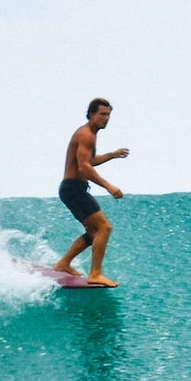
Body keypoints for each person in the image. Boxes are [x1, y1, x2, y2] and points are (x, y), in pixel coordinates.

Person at [55, 98, 130, 286]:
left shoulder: (89, 134)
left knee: (94, 232)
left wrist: (112, 154)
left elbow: (90, 160)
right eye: (102, 114)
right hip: (73, 188)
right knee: (104, 228)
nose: (106, 118)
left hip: (74, 188)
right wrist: (109, 186)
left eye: (108, 115)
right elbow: (84, 168)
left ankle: (63, 263)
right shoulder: (86, 134)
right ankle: (95, 273)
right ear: (90, 115)